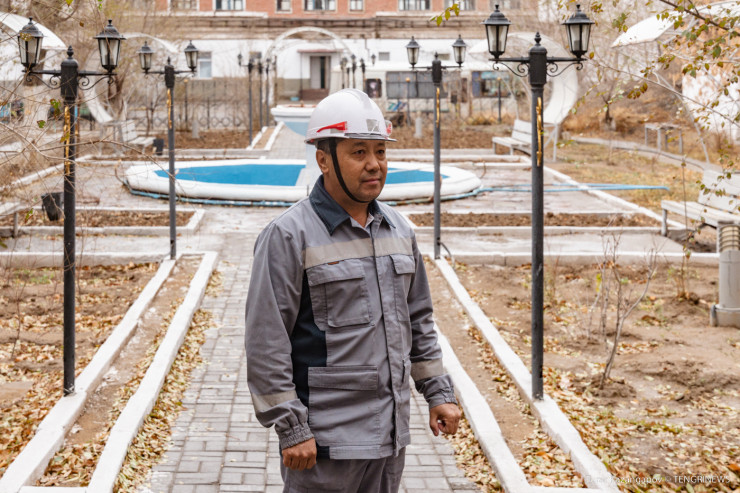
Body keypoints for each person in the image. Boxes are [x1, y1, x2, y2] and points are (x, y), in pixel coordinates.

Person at [244, 88, 460, 493]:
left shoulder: (399, 230)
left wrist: (437, 391)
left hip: (390, 438)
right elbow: (266, 340)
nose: (374, 164)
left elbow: (419, 320)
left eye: (380, 151)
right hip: (324, 446)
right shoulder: (288, 236)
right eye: (358, 152)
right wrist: (291, 427)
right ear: (323, 159)